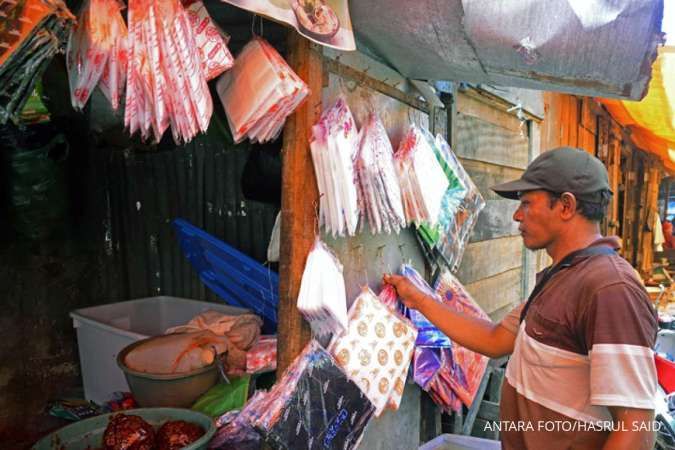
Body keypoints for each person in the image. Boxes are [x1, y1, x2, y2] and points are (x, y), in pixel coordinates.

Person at [384, 147, 658, 450]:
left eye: (527, 203)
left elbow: (637, 427)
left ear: (566, 206)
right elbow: (495, 338)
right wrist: (419, 299)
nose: (517, 215)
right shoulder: (563, 274)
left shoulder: (609, 289)